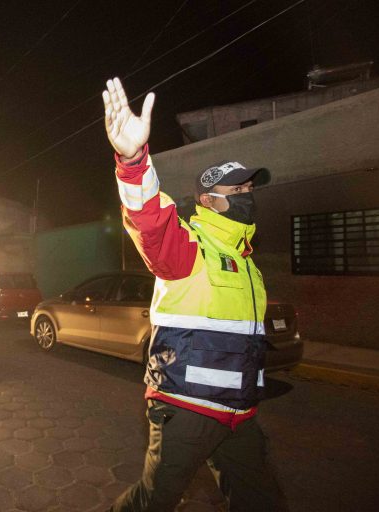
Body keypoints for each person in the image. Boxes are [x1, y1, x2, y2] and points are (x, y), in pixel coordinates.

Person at [103, 77, 286, 511]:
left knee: (263, 500)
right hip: (187, 408)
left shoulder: (247, 264)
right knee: (154, 501)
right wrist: (133, 160)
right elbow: (150, 220)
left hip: (239, 415)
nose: (247, 195)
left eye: (249, 188)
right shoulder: (191, 248)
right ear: (208, 200)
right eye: (236, 189)